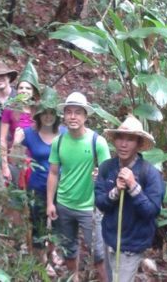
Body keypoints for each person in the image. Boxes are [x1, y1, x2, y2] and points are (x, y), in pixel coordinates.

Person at [46, 92, 110, 282]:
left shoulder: (97, 142)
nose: (73, 117)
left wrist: (101, 175)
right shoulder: (58, 142)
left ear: (85, 116)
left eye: (78, 113)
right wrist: (51, 203)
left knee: (99, 254)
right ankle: (74, 278)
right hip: (64, 204)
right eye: (69, 112)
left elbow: (109, 175)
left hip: (90, 208)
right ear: (64, 116)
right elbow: (53, 173)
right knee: (69, 250)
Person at [95, 114, 165, 282]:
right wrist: (115, 192)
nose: (123, 144)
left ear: (139, 144)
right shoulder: (106, 168)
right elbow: (100, 202)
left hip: (131, 247)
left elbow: (152, 212)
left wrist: (134, 187)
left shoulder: (150, 174)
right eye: (120, 138)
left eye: (130, 140)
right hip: (109, 239)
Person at [12, 86, 66, 276]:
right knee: (38, 223)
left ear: (56, 116)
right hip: (37, 185)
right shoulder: (29, 134)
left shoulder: (65, 133)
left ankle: (53, 251)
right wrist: (16, 141)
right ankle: (42, 261)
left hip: (61, 187)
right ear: (39, 115)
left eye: (52, 113)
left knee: (58, 223)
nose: (48, 117)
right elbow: (14, 153)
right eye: (45, 113)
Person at [0, 60, 40, 185]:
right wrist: (5, 166)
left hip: (37, 161)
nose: (24, 91)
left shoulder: (40, 111)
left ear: (33, 91)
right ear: (16, 90)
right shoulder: (9, 109)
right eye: (21, 87)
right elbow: (2, 139)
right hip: (16, 158)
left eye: (28, 88)